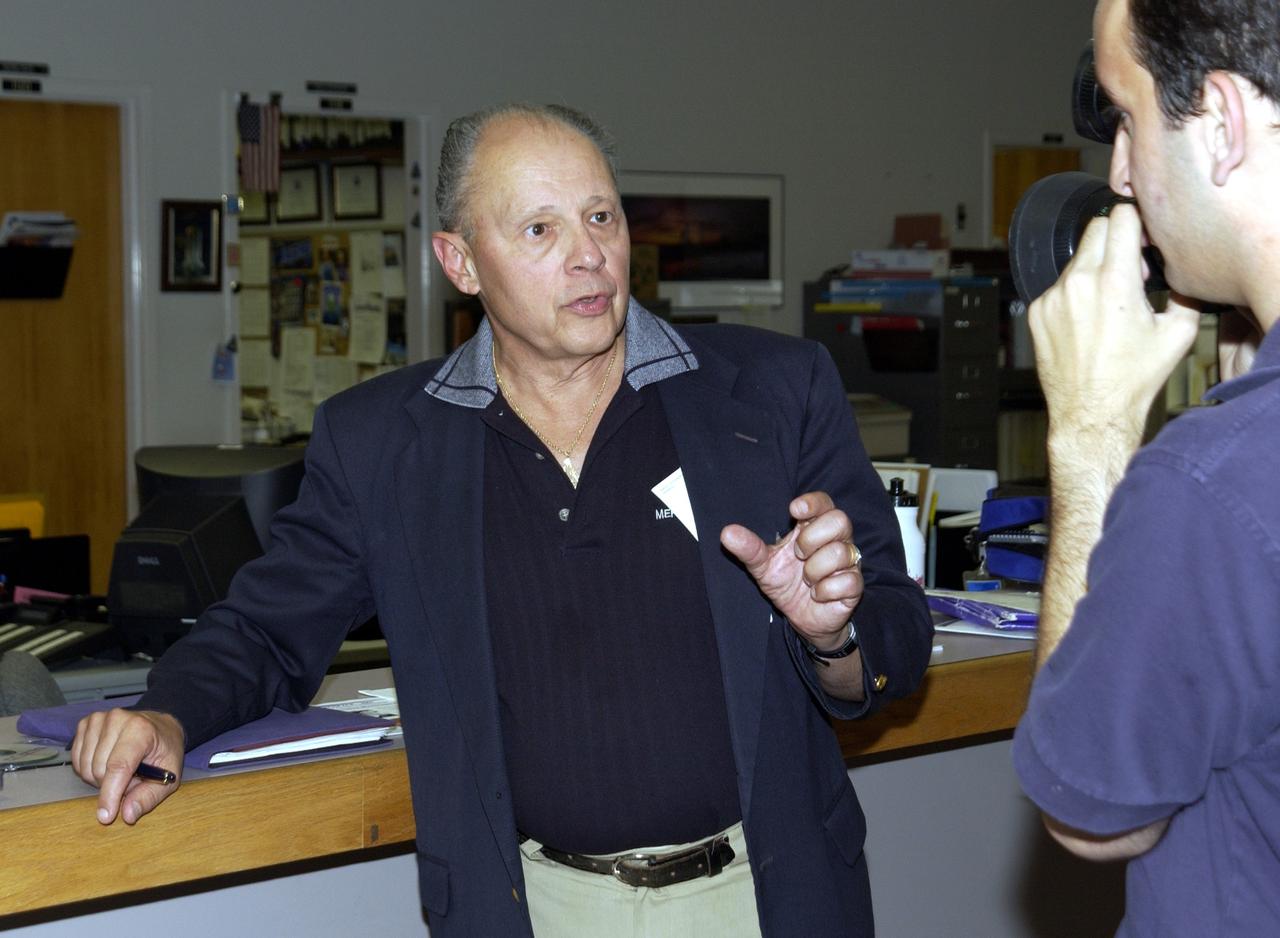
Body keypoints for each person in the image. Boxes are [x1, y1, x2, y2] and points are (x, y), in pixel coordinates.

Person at [72, 103, 932, 937]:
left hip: (760, 898)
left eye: (602, 216)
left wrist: (834, 636)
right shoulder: (382, 443)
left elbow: (893, 636)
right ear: (461, 262)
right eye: (539, 230)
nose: (589, 255)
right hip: (528, 908)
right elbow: (267, 629)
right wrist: (167, 716)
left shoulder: (778, 392)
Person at [1013, 0, 1280, 935]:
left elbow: (1090, 813)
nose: (1120, 174)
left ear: (1220, 121)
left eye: (1126, 119)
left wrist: (1089, 441)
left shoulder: (1211, 485)